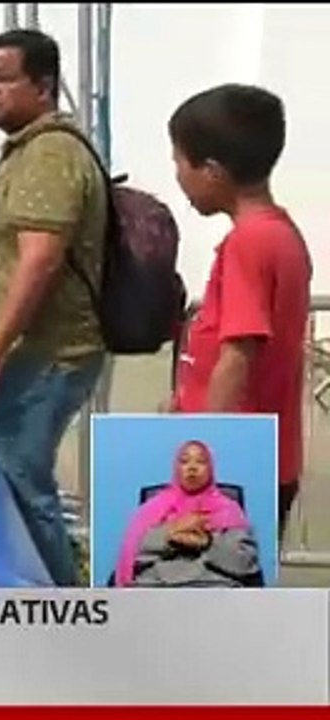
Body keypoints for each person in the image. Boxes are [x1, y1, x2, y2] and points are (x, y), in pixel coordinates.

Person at [0, 28, 108, 587]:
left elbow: (38, 261)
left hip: (48, 354)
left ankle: (58, 603)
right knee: (15, 478)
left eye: (2, 79)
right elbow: (6, 255)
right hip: (30, 348)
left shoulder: (49, 154)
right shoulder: (29, 148)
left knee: (22, 480)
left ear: (42, 86)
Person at [166, 84, 311, 545]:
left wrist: (207, 447)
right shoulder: (281, 234)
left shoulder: (248, 244)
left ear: (212, 171)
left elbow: (239, 353)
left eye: (179, 162)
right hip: (264, 456)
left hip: (236, 466)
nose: (177, 175)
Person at [114, 440, 261, 588]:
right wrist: (170, 535)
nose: (192, 468)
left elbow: (245, 564)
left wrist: (207, 543)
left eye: (201, 461)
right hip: (157, 588)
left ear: (210, 468)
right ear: (176, 468)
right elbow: (131, 558)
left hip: (213, 588)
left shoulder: (228, 510)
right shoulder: (151, 509)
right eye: (184, 461)